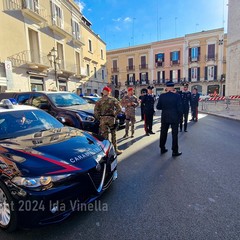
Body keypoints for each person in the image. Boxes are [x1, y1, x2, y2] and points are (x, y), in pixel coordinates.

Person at [94, 86, 123, 155]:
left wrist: (99, 118)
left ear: (103, 92)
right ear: (109, 92)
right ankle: (115, 150)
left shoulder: (99, 101)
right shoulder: (113, 99)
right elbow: (119, 108)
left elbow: (95, 111)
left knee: (104, 136)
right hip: (111, 119)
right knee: (113, 134)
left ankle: (106, 151)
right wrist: (114, 114)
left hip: (103, 119)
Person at [156, 81, 182, 157]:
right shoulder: (177, 96)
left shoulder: (162, 96)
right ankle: (175, 151)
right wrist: (181, 117)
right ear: (173, 87)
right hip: (174, 117)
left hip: (164, 117)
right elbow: (179, 108)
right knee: (174, 135)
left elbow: (158, 107)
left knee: (163, 133)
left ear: (166, 87)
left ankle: (162, 148)